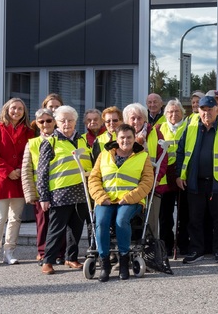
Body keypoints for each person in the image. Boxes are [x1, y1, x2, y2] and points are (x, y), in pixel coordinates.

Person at [175, 95, 218, 263]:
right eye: (203, 110)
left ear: (217, 110)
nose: (206, 113)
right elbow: (180, 152)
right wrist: (179, 175)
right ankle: (197, 250)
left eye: (210, 110)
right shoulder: (190, 128)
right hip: (195, 181)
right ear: (198, 110)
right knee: (195, 218)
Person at [87, 124, 153, 281]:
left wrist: (130, 197)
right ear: (116, 139)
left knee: (121, 220)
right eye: (122, 137)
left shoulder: (143, 156)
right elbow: (94, 178)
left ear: (134, 137)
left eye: (129, 137)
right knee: (101, 222)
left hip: (130, 200)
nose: (126, 140)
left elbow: (147, 182)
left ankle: (124, 260)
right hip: (106, 199)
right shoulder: (104, 155)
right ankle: (104, 263)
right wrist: (101, 197)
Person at [36, 105, 92, 275]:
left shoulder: (83, 140)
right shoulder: (50, 142)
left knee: (76, 228)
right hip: (60, 193)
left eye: (70, 120)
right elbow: (42, 172)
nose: (66, 123)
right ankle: (48, 260)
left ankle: (71, 258)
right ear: (56, 122)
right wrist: (44, 196)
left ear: (75, 121)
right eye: (62, 120)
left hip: (82, 192)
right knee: (56, 228)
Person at [0, 98, 33, 267]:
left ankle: (9, 251)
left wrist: (19, 170)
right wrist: (8, 171)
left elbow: (30, 153)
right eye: (13, 108)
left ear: (24, 112)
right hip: (1, 180)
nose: (16, 111)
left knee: (15, 218)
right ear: (7, 109)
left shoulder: (29, 131)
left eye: (20, 109)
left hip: (20, 179)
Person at [123, 103, 168, 242]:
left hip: (152, 185)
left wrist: (157, 178)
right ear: (126, 120)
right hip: (128, 186)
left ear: (145, 119)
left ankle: (151, 252)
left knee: (151, 222)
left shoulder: (155, 132)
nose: (136, 122)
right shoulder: (121, 135)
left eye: (139, 118)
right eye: (132, 118)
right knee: (127, 220)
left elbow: (163, 158)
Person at [21, 108, 57, 263]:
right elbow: (26, 170)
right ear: (37, 124)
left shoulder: (62, 139)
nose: (45, 124)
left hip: (58, 190)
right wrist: (30, 194)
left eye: (49, 120)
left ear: (55, 122)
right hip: (40, 191)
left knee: (57, 224)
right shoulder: (32, 143)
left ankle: (59, 253)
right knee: (43, 224)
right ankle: (42, 252)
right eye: (41, 122)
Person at [158, 99, 188, 254]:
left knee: (185, 213)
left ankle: (183, 244)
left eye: (177, 111)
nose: (173, 114)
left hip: (184, 173)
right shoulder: (159, 128)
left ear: (182, 113)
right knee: (165, 215)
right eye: (170, 112)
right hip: (166, 175)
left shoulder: (189, 127)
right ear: (165, 114)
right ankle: (166, 245)